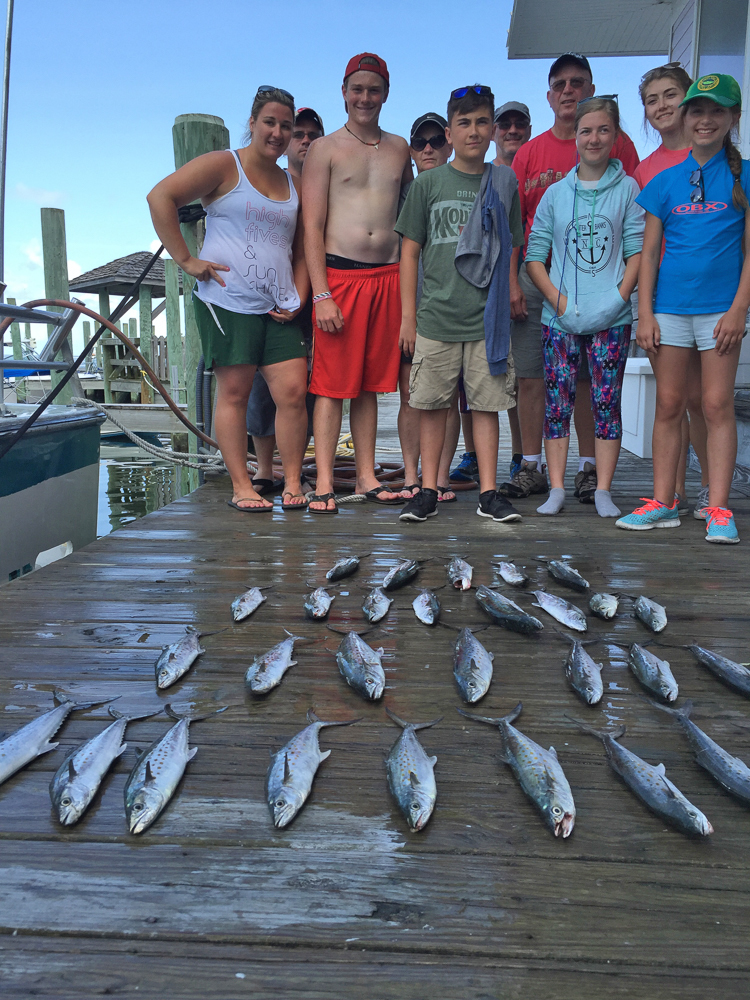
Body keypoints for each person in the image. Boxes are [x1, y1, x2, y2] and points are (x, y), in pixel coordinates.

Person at [147, 85, 310, 512]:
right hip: (227, 301)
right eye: (269, 122)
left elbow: (304, 243)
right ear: (253, 123)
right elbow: (160, 196)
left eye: (285, 126)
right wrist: (186, 259)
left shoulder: (294, 181)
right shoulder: (225, 164)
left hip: (278, 306)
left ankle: (294, 482)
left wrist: (300, 293)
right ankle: (242, 485)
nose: (277, 132)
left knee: (293, 391)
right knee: (235, 393)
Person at [617, 73, 750, 544]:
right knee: (669, 403)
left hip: (720, 311)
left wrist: (739, 310)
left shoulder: (745, 174)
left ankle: (718, 508)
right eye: (698, 110)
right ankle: (664, 502)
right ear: (686, 116)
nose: (706, 119)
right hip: (668, 309)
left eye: (717, 110)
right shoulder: (664, 182)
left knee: (715, 404)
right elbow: (649, 254)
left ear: (733, 118)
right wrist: (645, 313)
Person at [501, 53, 640, 504]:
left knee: (594, 387)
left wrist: (620, 294)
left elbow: (634, 235)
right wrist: (521, 284)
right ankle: (534, 469)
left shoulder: (623, 166)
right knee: (535, 380)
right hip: (546, 290)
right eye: (559, 83)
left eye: (577, 82)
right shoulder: (532, 155)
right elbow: (520, 230)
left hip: (608, 296)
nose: (567, 90)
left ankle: (590, 472)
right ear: (549, 94)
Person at [396, 84, 523, 524]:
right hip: (436, 317)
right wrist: (408, 319)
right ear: (449, 132)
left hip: (487, 321)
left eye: (481, 122)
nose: (473, 131)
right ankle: (428, 489)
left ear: (492, 130)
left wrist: (509, 295)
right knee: (431, 406)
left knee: (487, 407)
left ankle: (489, 493)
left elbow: (511, 247)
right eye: (463, 123)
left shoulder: (504, 183)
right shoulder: (428, 184)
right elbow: (409, 252)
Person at [302, 53, 413, 514]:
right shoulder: (324, 149)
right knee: (331, 385)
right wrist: (322, 293)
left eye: (374, 89)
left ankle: (366, 475)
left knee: (370, 385)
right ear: (343, 93)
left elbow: (409, 218)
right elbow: (311, 227)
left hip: (386, 276)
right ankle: (325, 480)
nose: (365, 98)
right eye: (357, 89)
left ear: (385, 93)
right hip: (340, 277)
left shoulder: (400, 148)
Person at [635, 63, 709, 517]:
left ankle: (706, 487)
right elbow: (644, 245)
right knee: (673, 398)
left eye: (669, 95)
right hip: (666, 297)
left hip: (713, 296)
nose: (662, 106)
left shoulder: (718, 157)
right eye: (652, 100)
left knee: (706, 400)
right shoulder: (646, 170)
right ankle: (673, 491)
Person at [450, 102, 532, 485]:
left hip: (518, 283)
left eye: (520, 124)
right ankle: (472, 455)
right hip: (471, 292)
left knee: (511, 377)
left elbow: (516, 236)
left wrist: (515, 283)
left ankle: (520, 456)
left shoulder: (517, 172)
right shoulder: (480, 171)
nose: (511, 130)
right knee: (471, 381)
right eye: (505, 124)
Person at [246, 107, 324, 496]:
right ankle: (264, 469)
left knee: (309, 389)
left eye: (314, 133)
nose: (306, 140)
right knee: (262, 385)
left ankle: (300, 469)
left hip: (320, 297)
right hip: (272, 297)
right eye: (300, 133)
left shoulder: (327, 182)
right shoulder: (269, 181)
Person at [397, 112, 457, 501]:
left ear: (449, 143)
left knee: (446, 398)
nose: (429, 148)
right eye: (421, 143)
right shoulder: (401, 193)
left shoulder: (465, 185)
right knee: (410, 394)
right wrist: (406, 317)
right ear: (412, 152)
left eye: (437, 140)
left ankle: (442, 475)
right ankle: (409, 475)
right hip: (412, 307)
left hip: (452, 310)